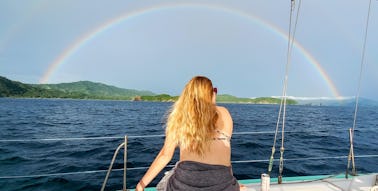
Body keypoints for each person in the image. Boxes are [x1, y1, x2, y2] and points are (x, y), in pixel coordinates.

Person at [135, 76, 240, 191]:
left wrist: (141, 185)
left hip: (185, 185)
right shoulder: (225, 113)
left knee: (170, 175)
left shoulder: (180, 117)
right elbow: (226, 154)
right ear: (211, 94)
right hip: (222, 185)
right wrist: (230, 183)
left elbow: (165, 155)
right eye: (214, 91)